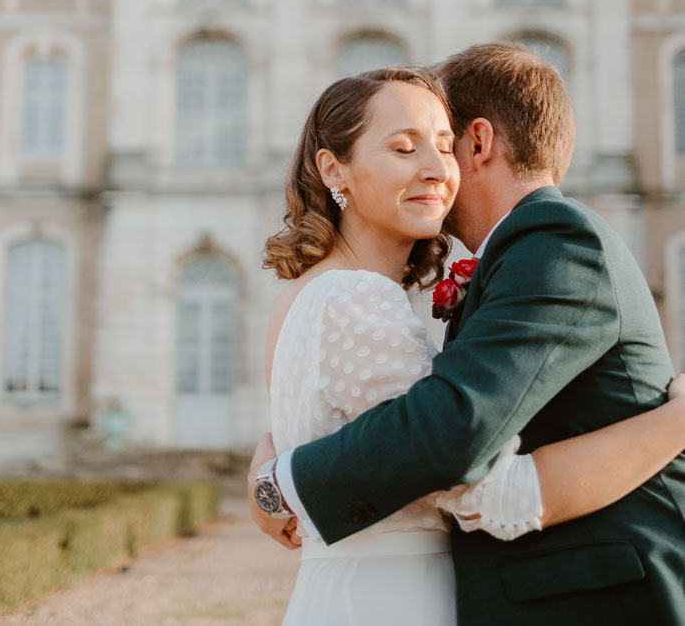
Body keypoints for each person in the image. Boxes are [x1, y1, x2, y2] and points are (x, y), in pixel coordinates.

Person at [249, 58, 685, 625]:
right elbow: (475, 475)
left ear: (476, 144)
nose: (436, 168)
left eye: (441, 145)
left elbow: (445, 435)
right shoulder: (356, 297)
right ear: (335, 170)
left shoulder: (548, 239)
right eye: (405, 148)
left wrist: (277, 481)